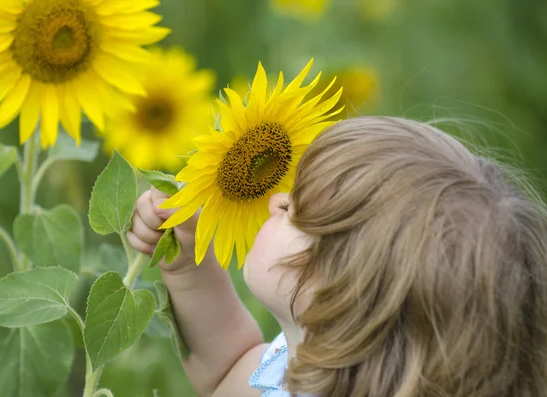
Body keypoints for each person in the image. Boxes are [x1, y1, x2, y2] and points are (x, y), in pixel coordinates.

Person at [127, 116, 547, 397]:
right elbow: (227, 370)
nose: (276, 199)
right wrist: (187, 263)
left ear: (347, 295)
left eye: (299, 213)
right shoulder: (297, 364)